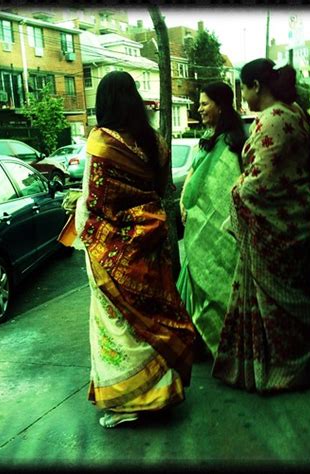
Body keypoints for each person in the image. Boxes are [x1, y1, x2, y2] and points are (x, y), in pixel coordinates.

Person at [63, 71, 196, 428]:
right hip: (151, 244)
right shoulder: (156, 141)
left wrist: (78, 214)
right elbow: (159, 190)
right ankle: (163, 390)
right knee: (153, 318)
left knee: (118, 326)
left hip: (112, 250)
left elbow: (94, 199)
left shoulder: (101, 141)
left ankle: (131, 401)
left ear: (103, 102)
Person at [212, 58, 310, 393]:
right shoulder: (293, 112)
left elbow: (260, 182)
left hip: (274, 226)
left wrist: (235, 190)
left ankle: (286, 372)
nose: (243, 96)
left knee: (274, 306)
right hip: (299, 219)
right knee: (295, 296)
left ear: (256, 87)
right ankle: (307, 363)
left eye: (244, 88)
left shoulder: (271, 120)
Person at [177, 82, 246, 359]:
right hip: (197, 227)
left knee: (221, 283)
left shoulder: (234, 143)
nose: (199, 108)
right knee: (197, 282)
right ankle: (201, 346)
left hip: (222, 230)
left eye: (204, 103)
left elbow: (230, 187)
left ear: (220, 105)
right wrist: (185, 201)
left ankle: (226, 345)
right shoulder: (209, 139)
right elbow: (194, 177)